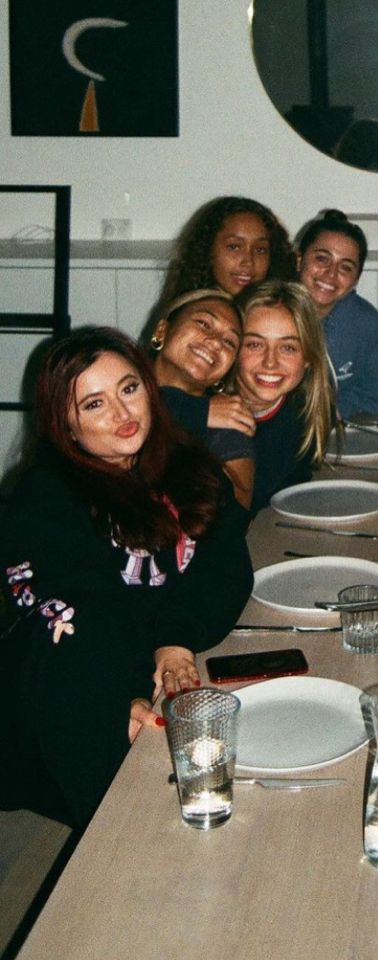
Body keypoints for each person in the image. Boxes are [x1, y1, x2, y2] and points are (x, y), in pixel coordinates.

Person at [0, 327, 253, 827]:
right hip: (62, 704)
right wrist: (125, 693)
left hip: (157, 664)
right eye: (94, 404)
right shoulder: (43, 497)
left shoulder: (188, 465)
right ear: (67, 426)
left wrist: (176, 640)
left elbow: (226, 563)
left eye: (129, 389)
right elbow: (83, 614)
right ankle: (116, 836)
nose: (122, 414)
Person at [233, 280, 334, 514]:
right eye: (255, 344)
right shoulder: (206, 414)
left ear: (308, 357)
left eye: (288, 348)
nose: (270, 362)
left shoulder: (308, 412)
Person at [150, 288, 256, 508]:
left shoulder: (227, 427)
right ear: (162, 331)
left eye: (229, 342)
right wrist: (198, 411)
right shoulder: (112, 376)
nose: (216, 342)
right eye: (204, 324)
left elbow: (235, 515)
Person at [295, 209, 378, 418]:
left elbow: (376, 393)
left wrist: (331, 411)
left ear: (356, 279)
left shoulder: (364, 322)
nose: (331, 274)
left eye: (346, 267)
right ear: (299, 260)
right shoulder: (268, 312)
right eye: (322, 259)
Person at [160, 196, 296, 304]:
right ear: (208, 250)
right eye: (234, 247)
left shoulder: (280, 318)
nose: (248, 261)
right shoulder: (188, 316)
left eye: (260, 250)